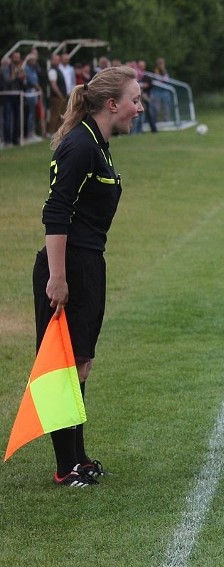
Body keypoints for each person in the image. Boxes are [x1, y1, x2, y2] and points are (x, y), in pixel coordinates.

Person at [33, 66, 142, 487]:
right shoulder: (80, 145)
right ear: (112, 104)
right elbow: (56, 212)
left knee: (81, 361)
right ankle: (66, 465)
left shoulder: (99, 143)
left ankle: (77, 456)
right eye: (135, 99)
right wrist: (57, 278)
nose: (139, 107)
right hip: (69, 266)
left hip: (88, 262)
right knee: (64, 365)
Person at [46, 53, 68, 137]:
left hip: (60, 96)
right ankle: (51, 131)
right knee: (55, 115)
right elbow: (53, 85)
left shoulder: (57, 69)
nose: (58, 61)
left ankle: (57, 132)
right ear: (52, 60)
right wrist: (60, 95)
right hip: (56, 97)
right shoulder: (52, 70)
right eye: (55, 59)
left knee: (60, 115)